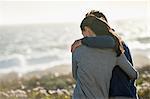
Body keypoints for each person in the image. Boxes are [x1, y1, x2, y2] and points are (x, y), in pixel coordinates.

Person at [71, 10, 138, 99]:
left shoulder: (115, 44)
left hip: (119, 93)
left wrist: (83, 41)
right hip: (125, 93)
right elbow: (133, 74)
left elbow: (76, 75)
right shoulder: (115, 45)